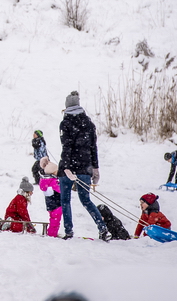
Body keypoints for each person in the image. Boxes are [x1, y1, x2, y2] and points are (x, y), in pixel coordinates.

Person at [58, 91, 110, 240]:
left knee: (65, 200)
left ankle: (69, 231)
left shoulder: (65, 123)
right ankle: (102, 228)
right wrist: (95, 168)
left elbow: (66, 147)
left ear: (67, 106)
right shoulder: (89, 123)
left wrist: (67, 167)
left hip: (68, 168)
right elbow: (93, 147)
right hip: (85, 168)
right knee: (86, 200)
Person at [38, 157, 62, 238]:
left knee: (53, 219)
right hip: (57, 203)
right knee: (55, 220)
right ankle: (52, 234)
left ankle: (52, 233)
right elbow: (60, 190)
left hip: (50, 204)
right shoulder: (54, 181)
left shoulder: (45, 180)